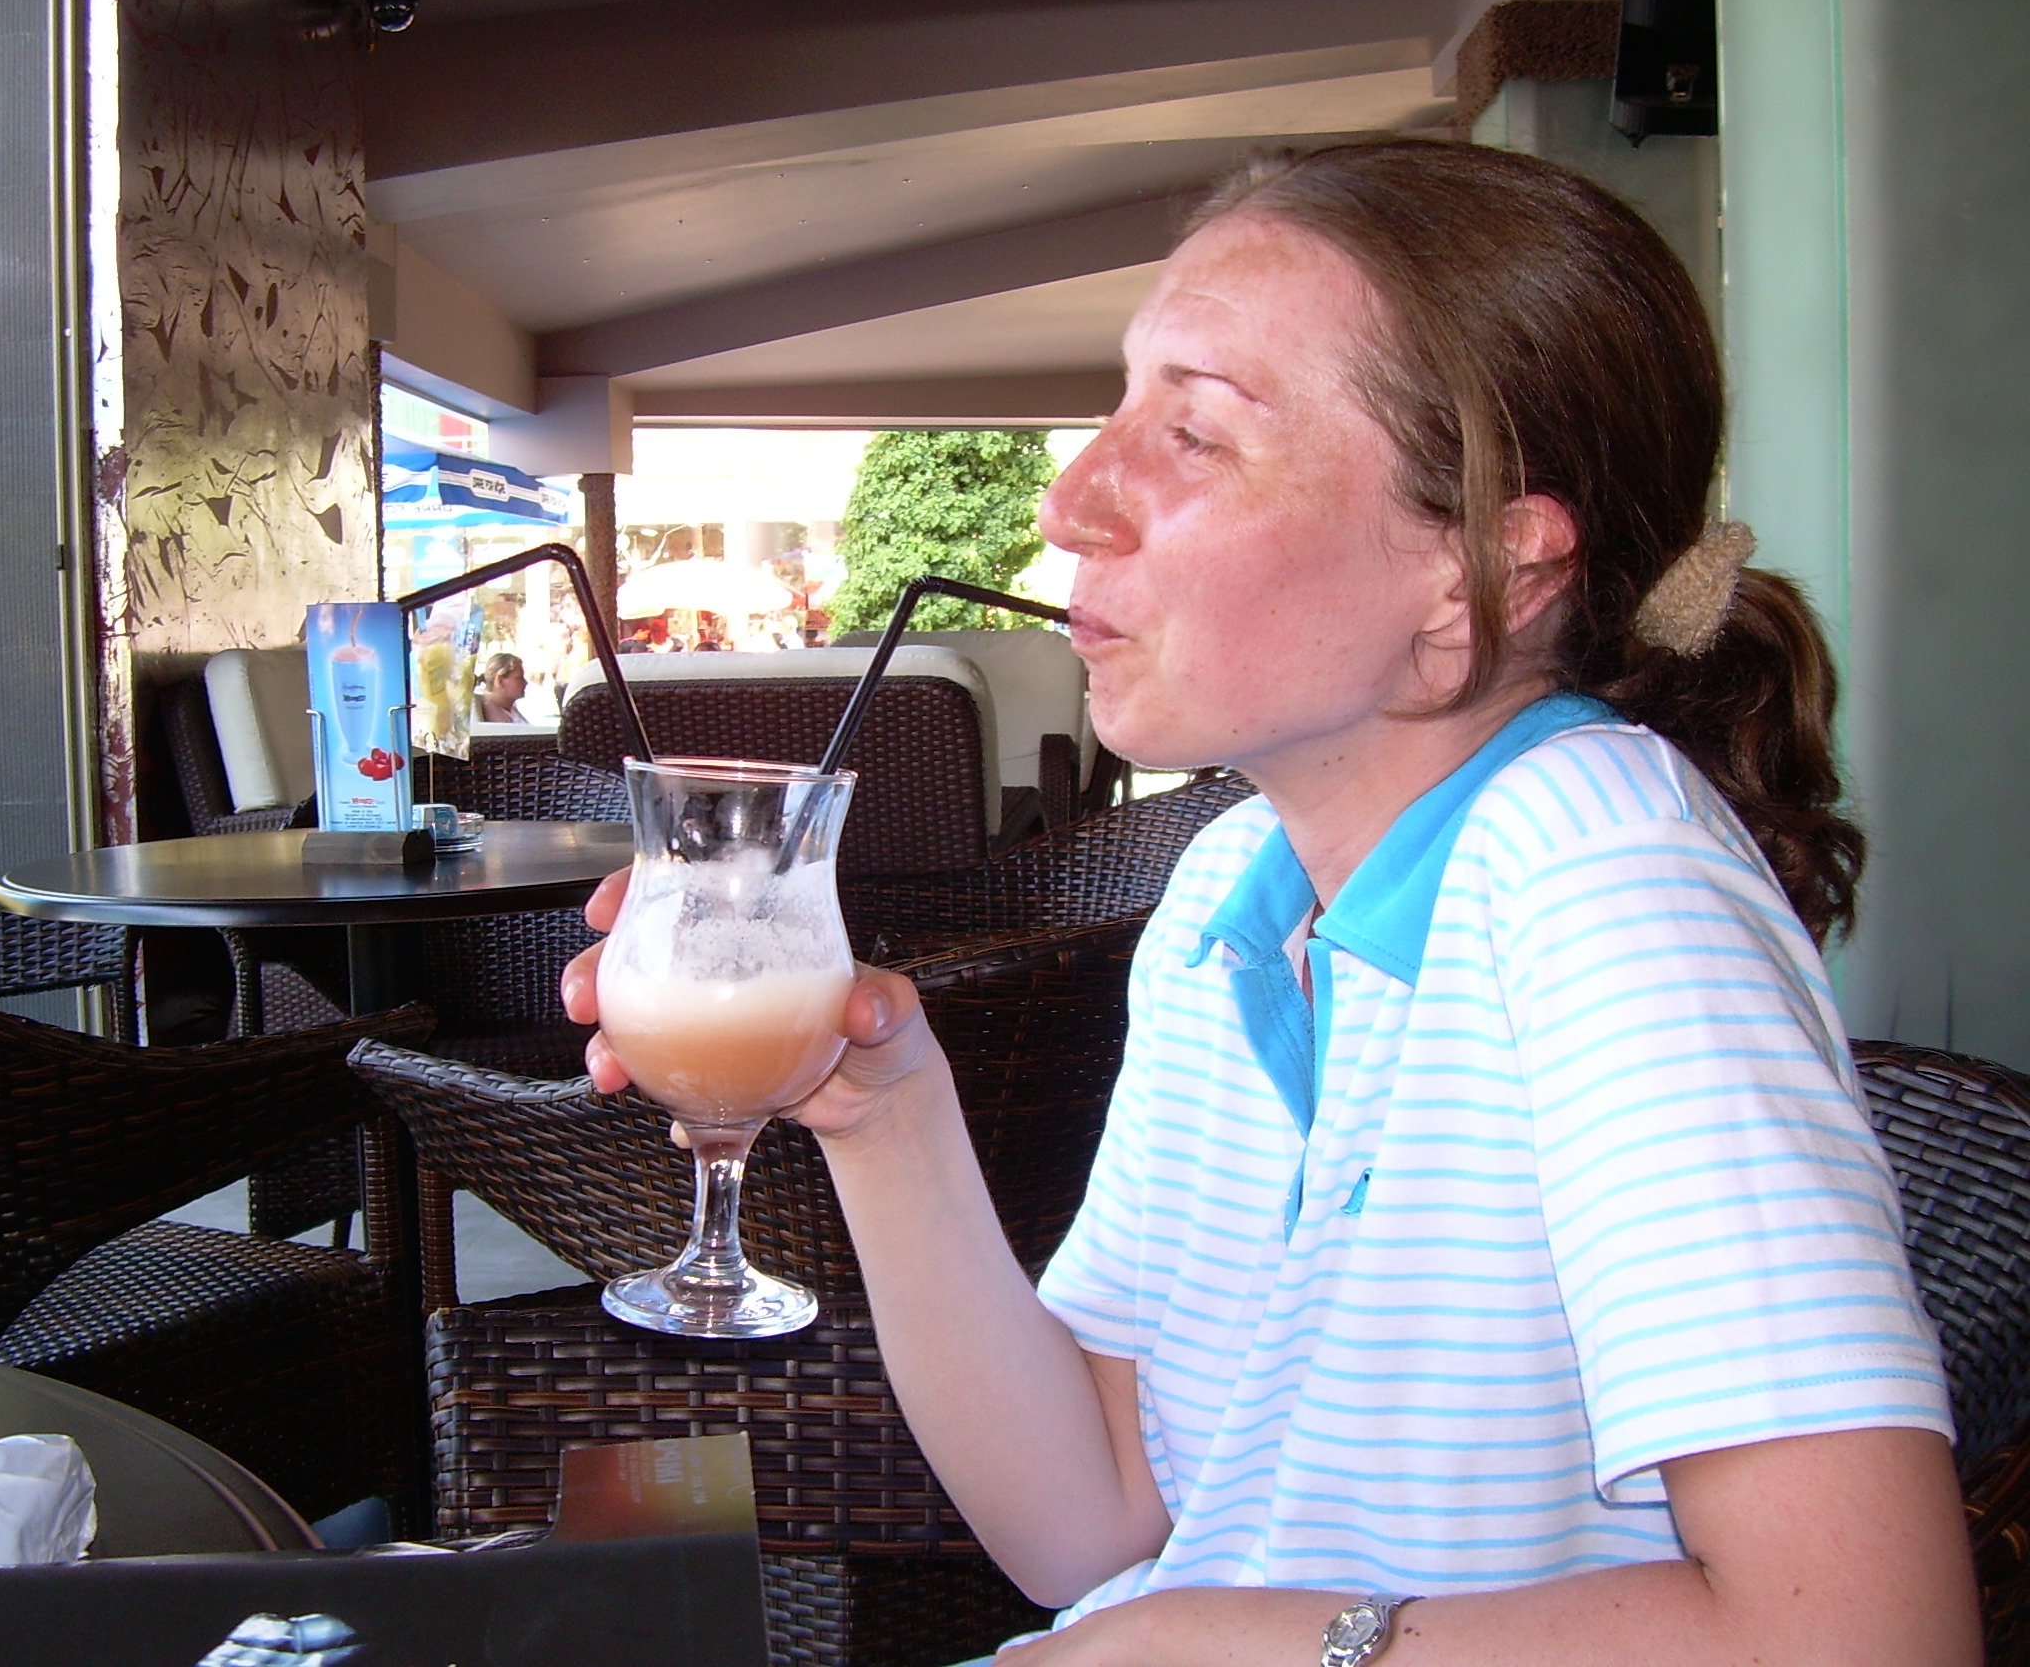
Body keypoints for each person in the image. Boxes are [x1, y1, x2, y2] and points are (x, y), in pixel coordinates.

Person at [566, 140, 1978, 1667]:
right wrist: (879, 1111)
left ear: (1480, 571)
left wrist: (1184, 1645)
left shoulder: (1607, 884)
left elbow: (1872, 1634)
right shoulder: (1234, 894)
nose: (1069, 499)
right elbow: (1085, 1521)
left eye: (1194, 433)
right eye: (1121, 408)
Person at [475, 652, 525, 724]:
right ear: (500, 681)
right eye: (519, 678)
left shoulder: (510, 709)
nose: (525, 682)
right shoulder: (489, 708)